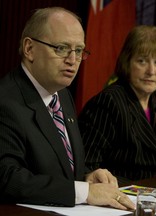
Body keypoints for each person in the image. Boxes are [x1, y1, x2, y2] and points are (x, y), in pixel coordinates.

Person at [0, 7, 135, 210]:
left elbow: (58, 167)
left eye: (79, 50)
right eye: (61, 48)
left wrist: (87, 177)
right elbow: (8, 179)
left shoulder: (61, 94)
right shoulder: (6, 101)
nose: (72, 60)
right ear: (29, 49)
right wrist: (84, 192)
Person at [78, 25, 156, 181]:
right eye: (142, 61)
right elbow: (87, 166)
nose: (151, 71)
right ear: (127, 62)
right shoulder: (110, 102)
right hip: (120, 194)